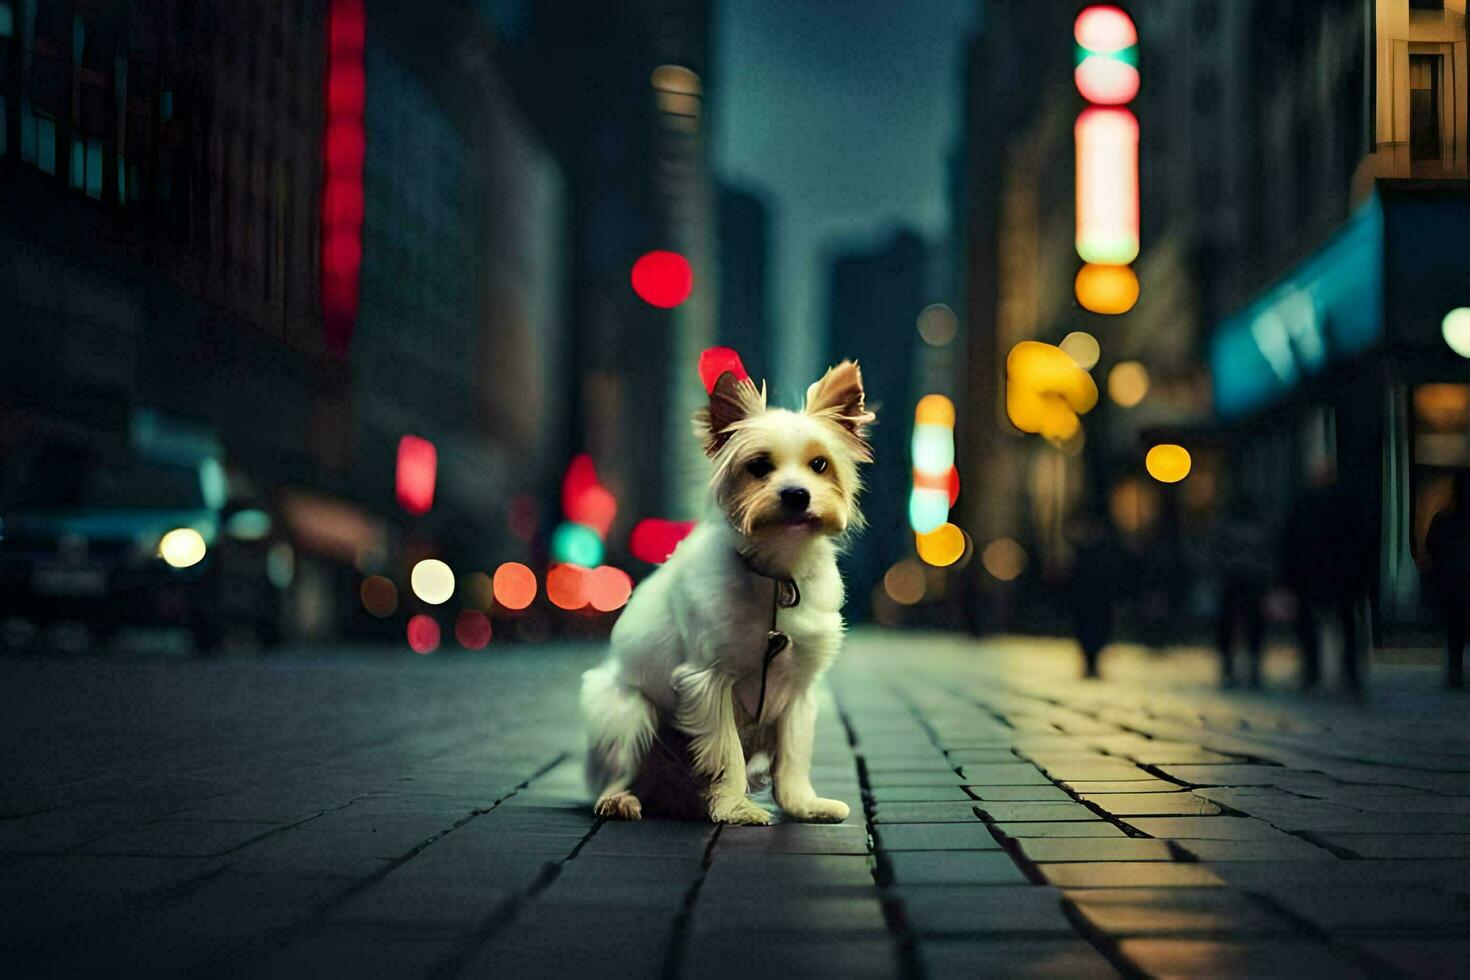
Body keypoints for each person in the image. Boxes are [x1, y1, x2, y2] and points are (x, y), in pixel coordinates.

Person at [1281, 464, 1372, 692]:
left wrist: (1289, 577)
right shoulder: (1347, 507)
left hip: (1316, 575)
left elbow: (1292, 543)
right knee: (1345, 625)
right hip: (1339, 576)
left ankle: (1315, 671)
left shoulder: (1307, 506)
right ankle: (1345, 672)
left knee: (1314, 625)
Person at [1210, 495, 1273, 687]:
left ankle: (1247, 665)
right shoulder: (1230, 525)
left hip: (1249, 580)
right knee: (1231, 623)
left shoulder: (1253, 525)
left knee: (1251, 623)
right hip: (1235, 579)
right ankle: (1232, 666)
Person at [1066, 511, 1131, 678]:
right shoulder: (1082, 549)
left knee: (1097, 632)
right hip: (1086, 599)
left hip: (1099, 599)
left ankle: (1093, 663)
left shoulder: (1102, 548)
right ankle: (1090, 663)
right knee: (1087, 632)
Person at [1424, 470, 1470, 689]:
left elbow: (1431, 548)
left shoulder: (1443, 520)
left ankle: (1455, 674)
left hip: (1453, 586)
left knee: (1455, 632)